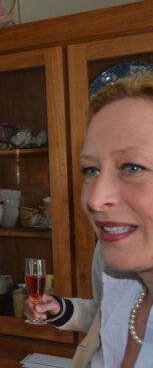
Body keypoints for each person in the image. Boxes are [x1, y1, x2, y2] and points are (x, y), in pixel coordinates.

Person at [34, 73, 153, 367]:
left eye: (133, 167)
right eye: (91, 170)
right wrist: (63, 309)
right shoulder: (125, 281)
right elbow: (105, 313)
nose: (95, 199)